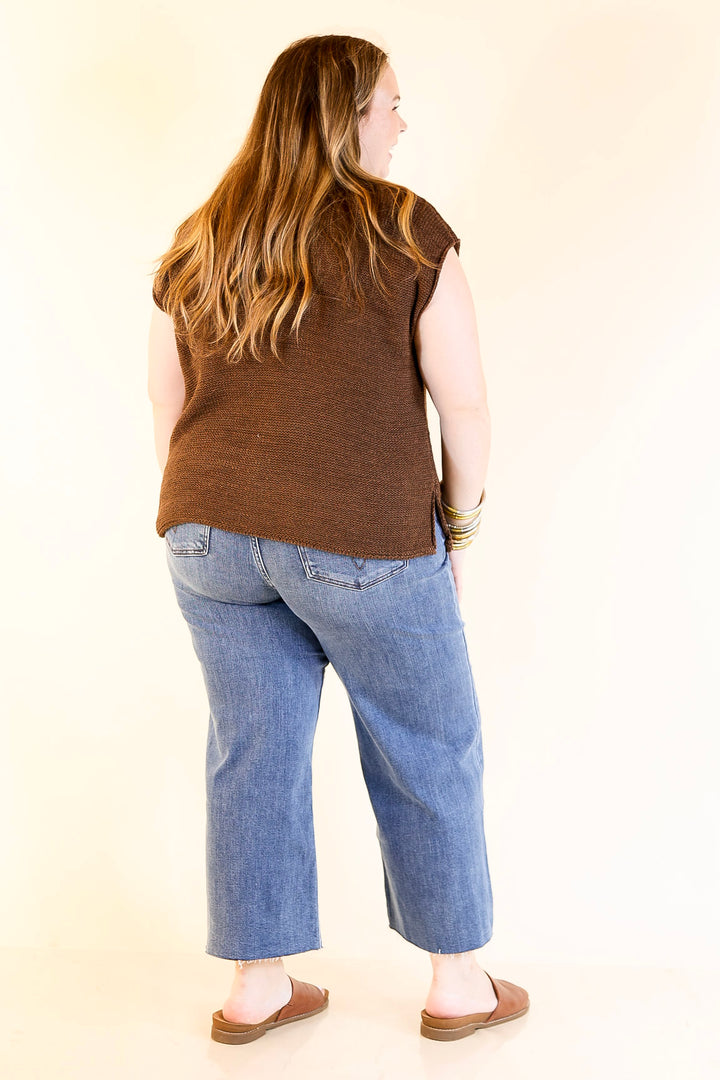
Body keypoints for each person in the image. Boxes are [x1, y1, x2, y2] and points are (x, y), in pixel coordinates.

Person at [147, 32, 529, 1045]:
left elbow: (167, 401)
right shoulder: (406, 230)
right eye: (391, 105)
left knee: (251, 753)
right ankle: (458, 989)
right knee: (428, 746)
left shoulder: (202, 235)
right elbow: (469, 407)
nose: (402, 124)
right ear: (348, 113)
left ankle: (255, 988)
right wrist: (455, 533)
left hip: (207, 532)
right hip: (361, 536)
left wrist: (212, 519)